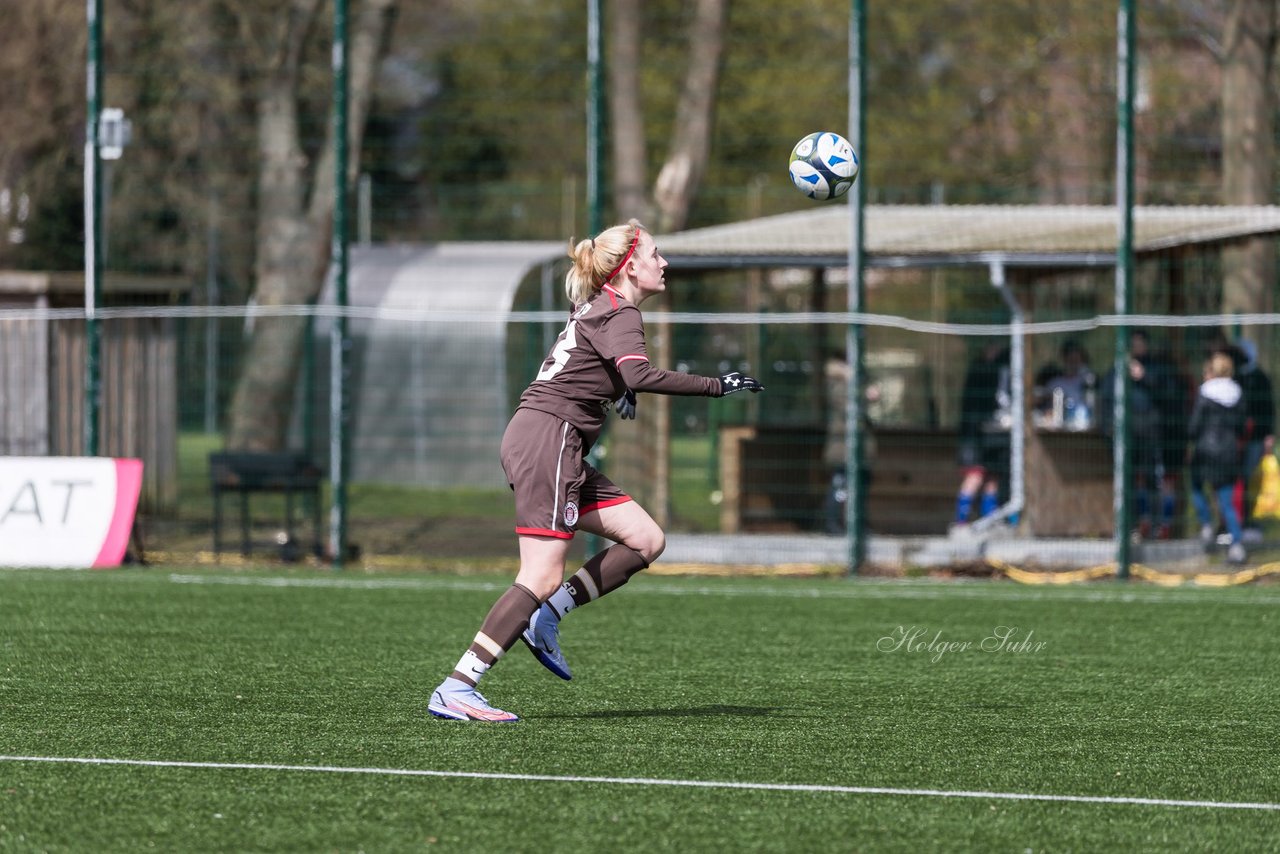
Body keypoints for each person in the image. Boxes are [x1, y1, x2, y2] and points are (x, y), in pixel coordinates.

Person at [428, 219, 763, 723]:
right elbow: (639, 373)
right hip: (550, 440)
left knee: (645, 539)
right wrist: (718, 385)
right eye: (655, 253)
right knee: (539, 573)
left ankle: (548, 616)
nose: (664, 262)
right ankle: (458, 685)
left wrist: (616, 386)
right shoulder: (621, 312)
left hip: (548, 439)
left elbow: (594, 361)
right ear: (630, 266)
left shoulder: (599, 304)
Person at [1098, 330, 1179, 539]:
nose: (1136, 347)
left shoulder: (1156, 368)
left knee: (1152, 479)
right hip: (1126, 435)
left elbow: (1169, 395)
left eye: (1139, 343)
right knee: (1128, 480)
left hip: (1150, 433)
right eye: (1132, 344)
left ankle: (1153, 523)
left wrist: (1145, 377)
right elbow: (1105, 399)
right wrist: (1107, 425)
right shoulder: (1116, 371)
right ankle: (1130, 525)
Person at [1187, 351, 1247, 564]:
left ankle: (1205, 524)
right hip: (1229, 453)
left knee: (1195, 486)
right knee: (1226, 502)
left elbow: (1194, 426)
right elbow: (1241, 426)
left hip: (1205, 452)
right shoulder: (1238, 392)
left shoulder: (1205, 392)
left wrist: (1192, 437)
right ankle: (1237, 546)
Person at [953, 341, 1012, 528]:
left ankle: (990, 519)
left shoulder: (1004, 369)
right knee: (975, 475)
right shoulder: (979, 371)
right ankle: (960, 521)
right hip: (975, 435)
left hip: (996, 434)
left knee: (993, 476)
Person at [1233, 339, 1275, 542]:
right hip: (1235, 438)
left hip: (1256, 437)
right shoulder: (1235, 378)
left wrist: (1268, 435)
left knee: (1249, 478)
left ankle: (1249, 518)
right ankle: (1235, 520)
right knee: (1236, 479)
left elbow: (1268, 409)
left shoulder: (1260, 378)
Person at [1034, 338, 1097, 430]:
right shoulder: (1054, 383)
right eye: (1070, 359)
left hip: (1085, 427)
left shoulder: (1088, 381)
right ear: (1064, 359)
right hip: (1059, 429)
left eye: (1077, 359)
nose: (1073, 363)